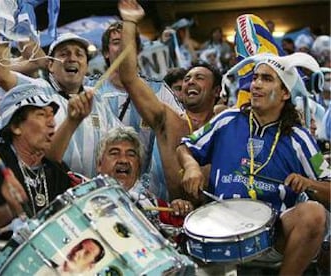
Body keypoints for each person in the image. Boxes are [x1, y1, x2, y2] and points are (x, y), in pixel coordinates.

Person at [176, 52, 330, 275]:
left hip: (272, 236)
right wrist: (191, 167)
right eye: (255, 77)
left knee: (314, 214)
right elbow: (185, 146)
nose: (255, 84)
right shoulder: (227, 119)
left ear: (285, 92)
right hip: (220, 232)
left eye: (267, 79)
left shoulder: (299, 137)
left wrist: (308, 184)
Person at [118, 0, 221, 200]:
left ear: (216, 91)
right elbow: (129, 77)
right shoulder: (169, 120)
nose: (190, 82)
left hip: (220, 218)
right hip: (174, 217)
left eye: (199, 78)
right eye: (187, 79)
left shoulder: (227, 124)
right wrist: (130, 23)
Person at [0, 33, 122, 178]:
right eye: (64, 54)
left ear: (86, 66)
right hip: (49, 191)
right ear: (50, 65)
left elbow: (121, 140)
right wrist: (5, 28)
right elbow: (0, 74)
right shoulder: (37, 89)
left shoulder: (96, 99)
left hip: (91, 194)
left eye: (79, 54)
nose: (72, 58)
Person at [0, 84, 73, 241]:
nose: (52, 122)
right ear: (16, 126)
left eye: (52, 114)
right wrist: (9, 210)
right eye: (41, 115)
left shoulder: (57, 170)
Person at [87, 21, 183, 199]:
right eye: (117, 42)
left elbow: (179, 137)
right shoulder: (88, 89)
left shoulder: (159, 91)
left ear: (137, 51)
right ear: (106, 52)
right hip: (95, 192)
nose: (123, 47)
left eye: (128, 43)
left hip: (146, 197)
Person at [95, 126, 193, 224]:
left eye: (131, 154)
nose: (123, 160)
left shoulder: (158, 208)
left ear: (139, 166)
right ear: (99, 164)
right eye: (115, 153)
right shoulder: (82, 196)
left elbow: (182, 228)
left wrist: (181, 209)